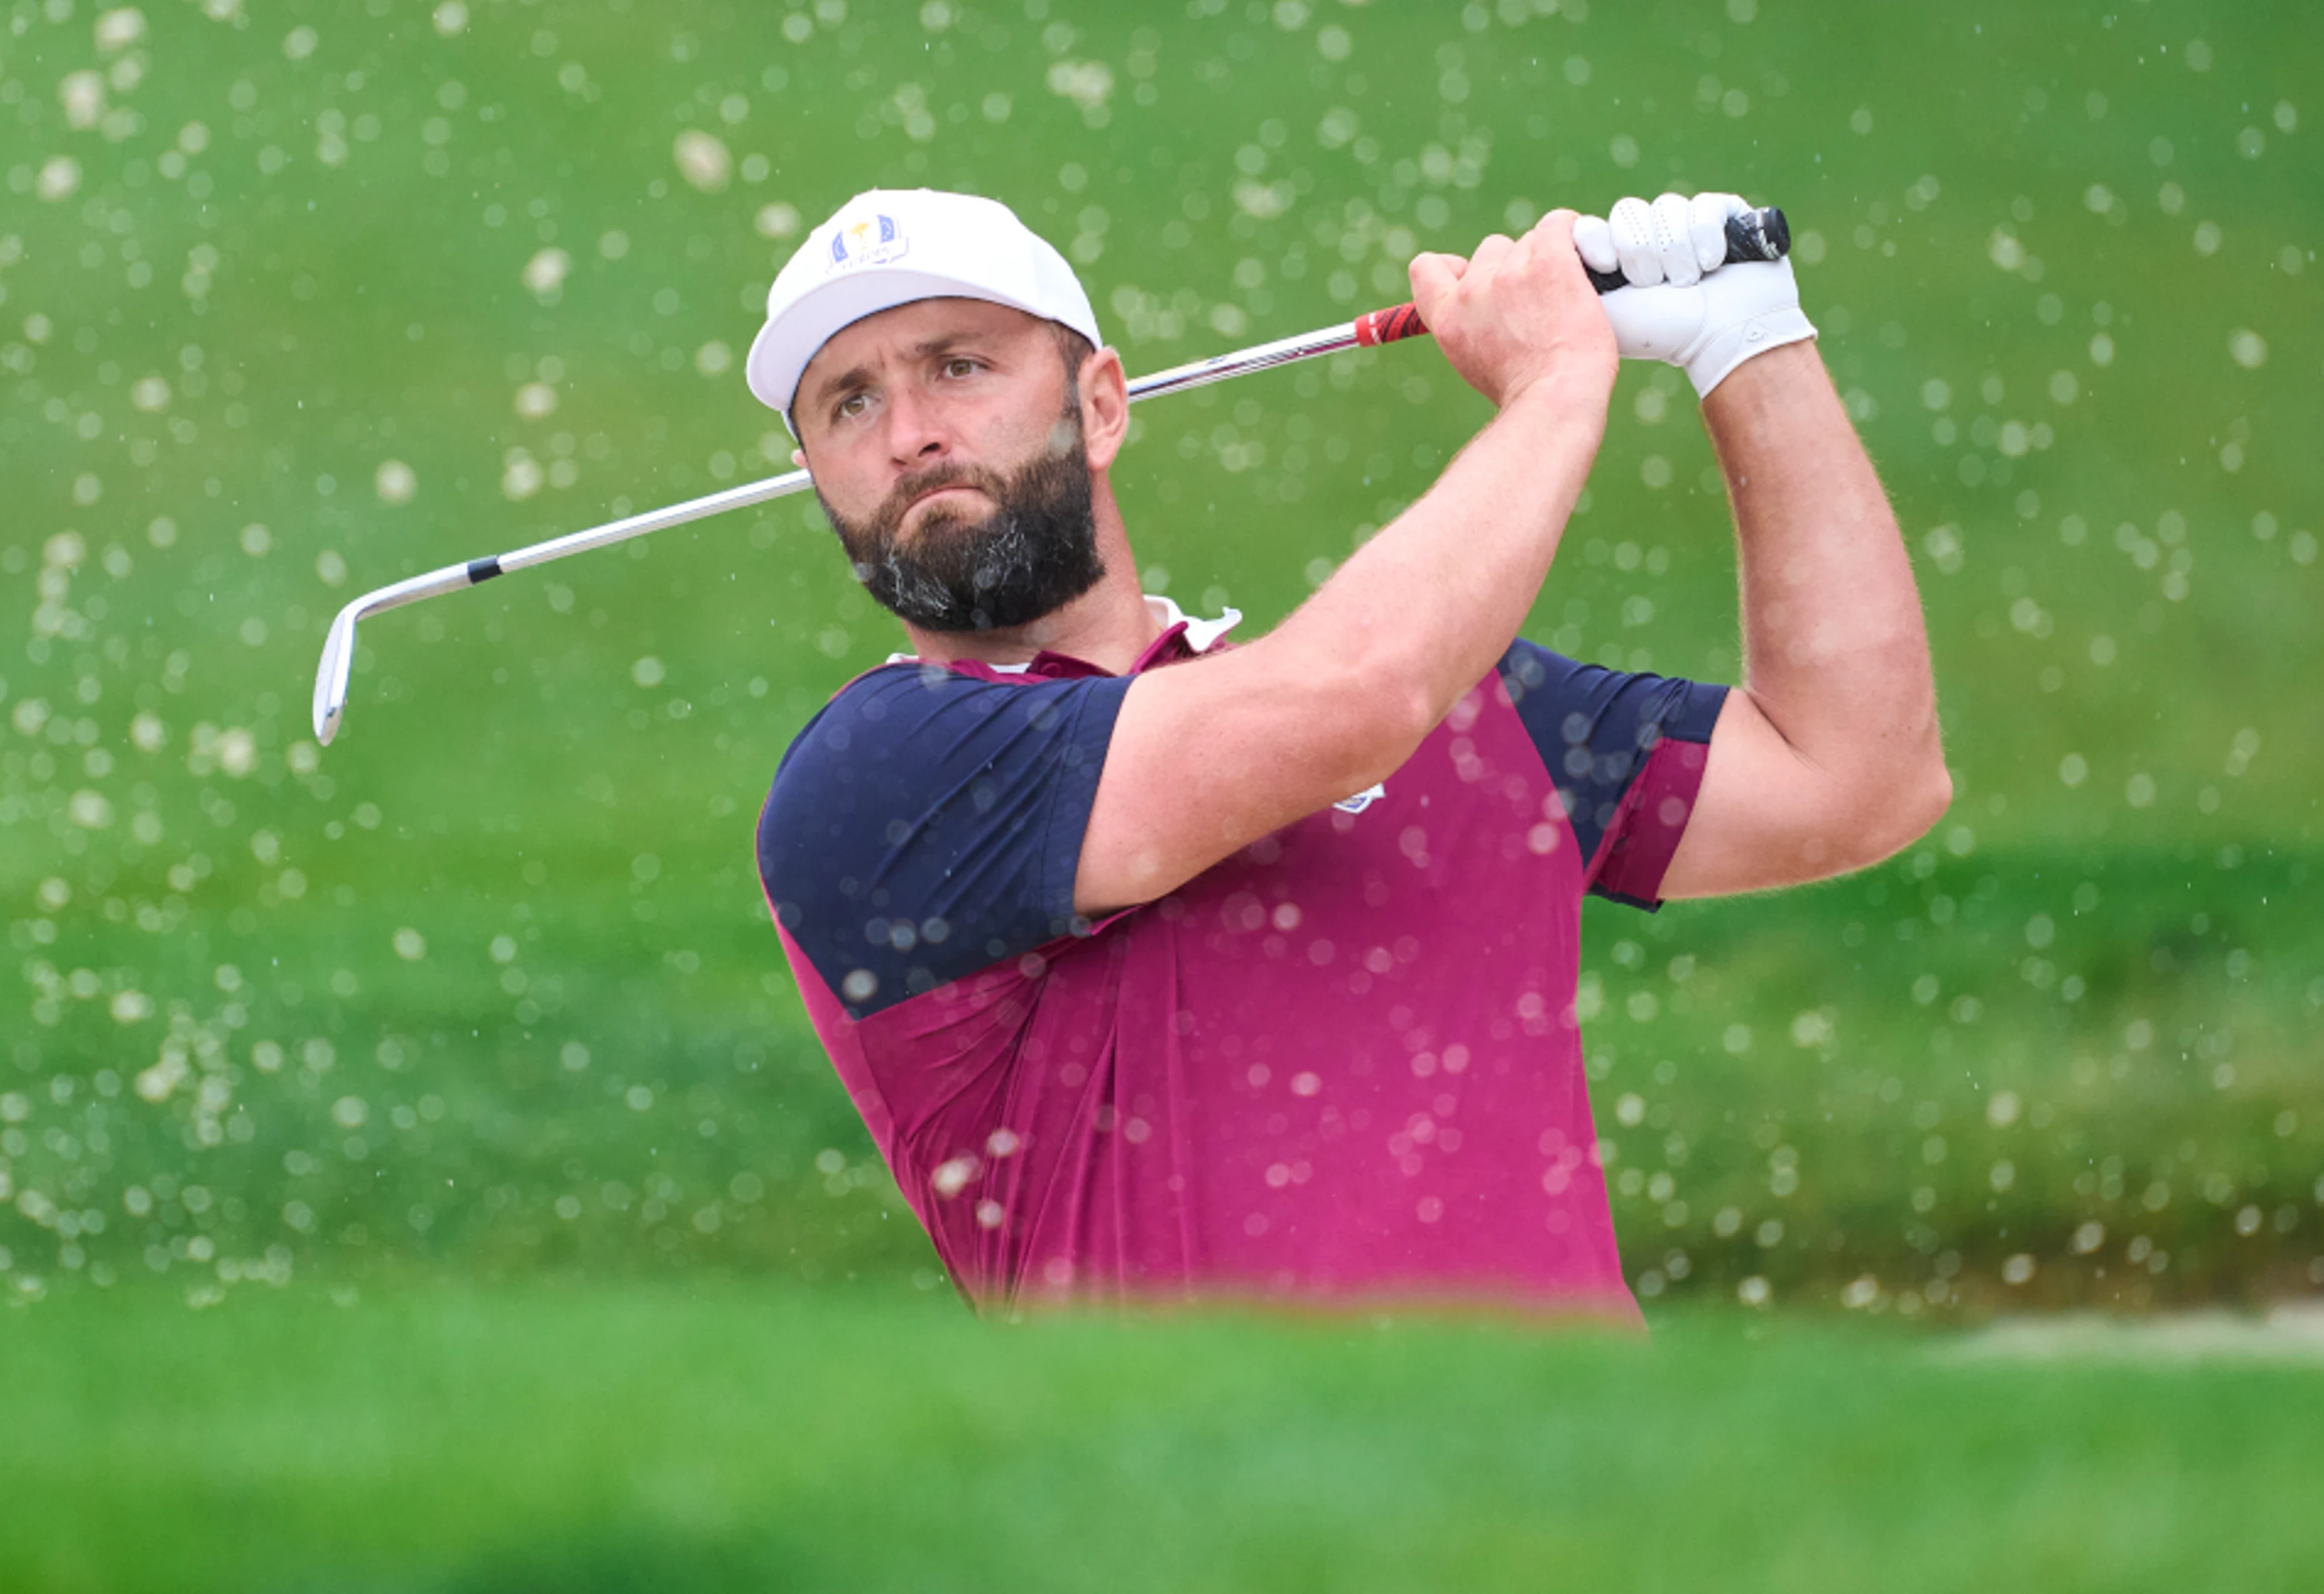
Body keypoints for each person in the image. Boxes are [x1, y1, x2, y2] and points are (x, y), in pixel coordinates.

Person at [744, 187, 1946, 1321]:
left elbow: (1853, 779)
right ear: (816, 475)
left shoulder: (1471, 710)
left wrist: (1749, 342)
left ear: (1101, 403)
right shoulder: (875, 775)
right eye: (848, 403)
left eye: (959, 366)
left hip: (1596, 1512)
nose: (909, 434)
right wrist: (1555, 384)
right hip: (1216, 1523)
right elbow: (1346, 703)